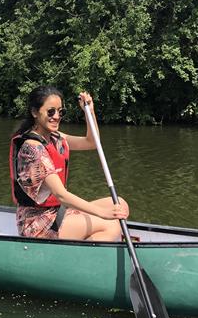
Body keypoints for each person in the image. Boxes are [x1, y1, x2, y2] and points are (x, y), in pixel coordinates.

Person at [9, 85, 129, 241]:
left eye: (61, 112)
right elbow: (61, 195)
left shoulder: (54, 137)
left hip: (57, 212)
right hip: (38, 224)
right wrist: (102, 213)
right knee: (111, 225)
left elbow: (91, 142)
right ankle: (84, 259)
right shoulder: (32, 149)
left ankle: (94, 241)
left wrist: (89, 112)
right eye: (50, 111)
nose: (57, 116)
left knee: (120, 203)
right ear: (34, 112)